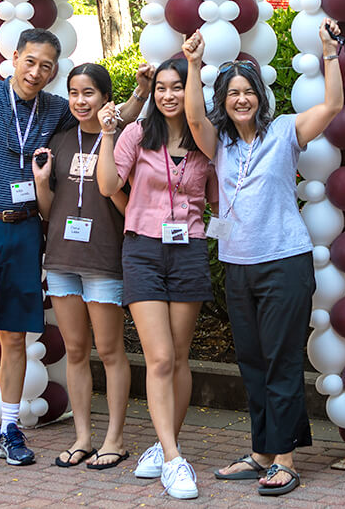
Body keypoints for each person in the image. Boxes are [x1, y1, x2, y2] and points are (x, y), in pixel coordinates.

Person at [0, 9, 148, 477]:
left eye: (46, 66)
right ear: (14, 57)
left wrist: (140, 92)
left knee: (15, 336)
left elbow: (111, 118)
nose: (36, 71)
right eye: (30, 61)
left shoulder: (57, 108)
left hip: (24, 229)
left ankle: (10, 430)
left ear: (53, 71)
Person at [181, 21, 343, 496]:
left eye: (247, 91)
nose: (240, 99)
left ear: (260, 95)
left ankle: (286, 459)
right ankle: (260, 453)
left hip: (283, 262)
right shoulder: (221, 143)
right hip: (237, 263)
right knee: (251, 359)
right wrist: (193, 64)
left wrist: (329, 54)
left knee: (281, 359)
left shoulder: (285, 131)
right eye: (231, 93)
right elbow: (193, 119)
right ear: (223, 101)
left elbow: (332, 105)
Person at [96, 57, 215, 500]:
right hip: (143, 250)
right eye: (161, 87)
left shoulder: (206, 141)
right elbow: (109, 184)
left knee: (180, 358)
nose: (168, 94)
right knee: (160, 357)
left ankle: (167, 445)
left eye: (177, 86)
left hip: (189, 250)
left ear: (192, 90)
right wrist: (108, 135)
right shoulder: (137, 134)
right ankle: (171, 460)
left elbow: (219, 198)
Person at [32, 63, 134, 471]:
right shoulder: (58, 141)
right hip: (61, 260)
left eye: (88, 93)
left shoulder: (123, 140)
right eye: (74, 92)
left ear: (106, 97)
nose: (79, 101)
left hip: (103, 260)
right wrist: (41, 183)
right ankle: (82, 437)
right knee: (75, 351)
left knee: (110, 351)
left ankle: (116, 438)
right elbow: (49, 212)